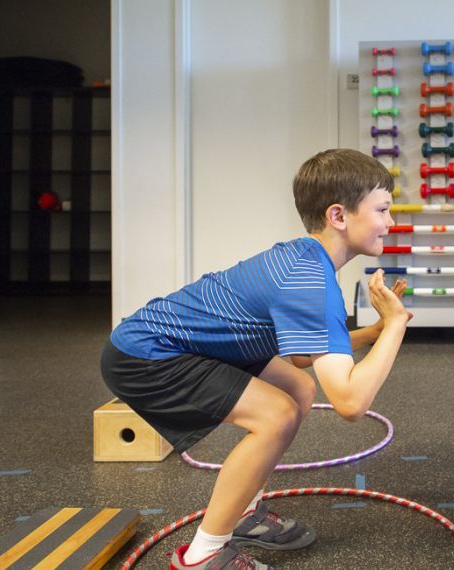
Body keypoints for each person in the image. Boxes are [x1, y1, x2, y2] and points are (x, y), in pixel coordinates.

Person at [101, 149, 410, 570]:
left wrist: (374, 332)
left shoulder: (308, 260)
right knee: (275, 415)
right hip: (148, 354)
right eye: (383, 209)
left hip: (193, 344)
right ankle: (201, 556)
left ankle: (243, 512)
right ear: (339, 216)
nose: (390, 223)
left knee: (296, 388)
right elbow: (351, 404)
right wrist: (394, 327)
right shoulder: (309, 282)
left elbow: (303, 356)